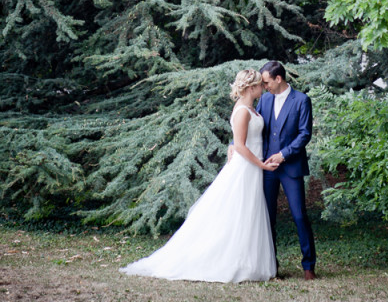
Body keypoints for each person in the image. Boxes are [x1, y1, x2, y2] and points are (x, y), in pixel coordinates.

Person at [119, 69, 277, 283]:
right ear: (252, 88)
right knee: (237, 212)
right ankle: (230, 261)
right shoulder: (242, 111)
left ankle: (247, 262)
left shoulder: (252, 108)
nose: (264, 88)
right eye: (260, 85)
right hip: (245, 168)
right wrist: (261, 164)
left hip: (252, 168)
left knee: (248, 212)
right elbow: (239, 145)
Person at [256, 60, 317, 280]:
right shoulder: (264, 99)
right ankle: (272, 266)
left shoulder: (301, 100)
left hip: (290, 166)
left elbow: (304, 134)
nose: (264, 86)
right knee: (267, 217)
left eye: (266, 82)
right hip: (267, 168)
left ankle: (308, 266)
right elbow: (254, 127)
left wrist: (283, 154)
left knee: (299, 215)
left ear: (278, 79)